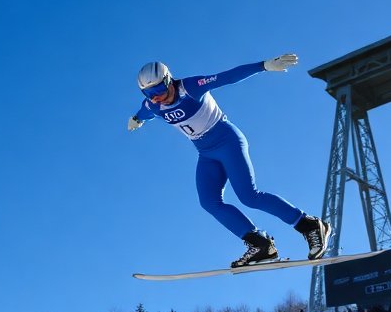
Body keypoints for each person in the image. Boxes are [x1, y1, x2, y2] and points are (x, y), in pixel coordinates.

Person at [127, 54, 331, 267]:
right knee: (209, 202)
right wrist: (137, 119)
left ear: (169, 80)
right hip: (206, 153)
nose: (157, 98)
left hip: (228, 142)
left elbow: (227, 77)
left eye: (159, 90)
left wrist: (263, 66)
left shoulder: (190, 88)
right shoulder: (152, 106)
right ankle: (261, 245)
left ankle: (309, 225)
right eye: (149, 94)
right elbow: (144, 112)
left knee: (249, 196)